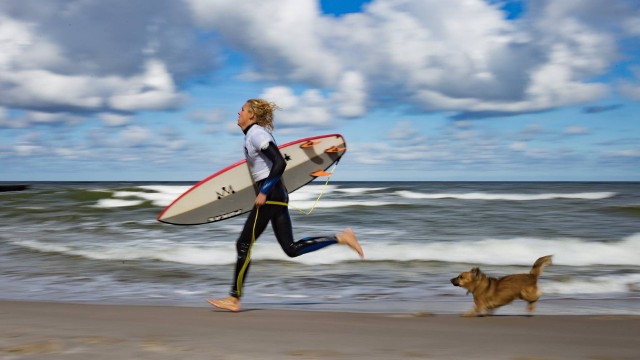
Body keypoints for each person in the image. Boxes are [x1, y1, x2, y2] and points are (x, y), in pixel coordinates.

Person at [207, 98, 364, 312]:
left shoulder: (256, 134)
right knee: (290, 249)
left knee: (243, 244)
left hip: (270, 193)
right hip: (277, 193)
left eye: (242, 110)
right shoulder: (254, 135)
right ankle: (341, 238)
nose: (238, 113)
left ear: (251, 115)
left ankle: (234, 298)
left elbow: (280, 162)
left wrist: (263, 191)